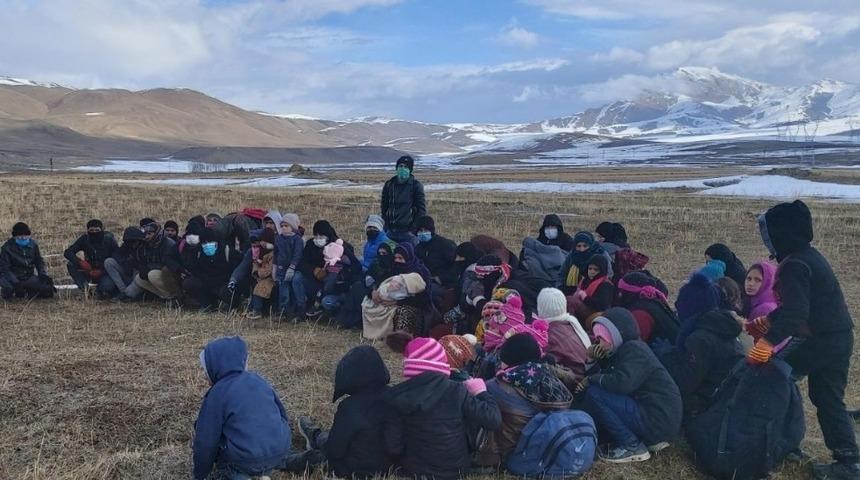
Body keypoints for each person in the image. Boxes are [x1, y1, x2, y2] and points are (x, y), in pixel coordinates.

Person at [751, 200, 858, 479]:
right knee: (828, 398)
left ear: (782, 234)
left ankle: (781, 444)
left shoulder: (794, 265)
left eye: (770, 232)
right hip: (839, 336)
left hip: (819, 340)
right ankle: (850, 462)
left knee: (774, 377)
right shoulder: (808, 256)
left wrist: (767, 342)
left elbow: (798, 312)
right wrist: (771, 320)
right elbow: (801, 305)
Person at [382, 332, 501, 480]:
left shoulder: (396, 395)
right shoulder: (457, 390)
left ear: (410, 364)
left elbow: (393, 446)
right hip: (456, 469)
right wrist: (481, 392)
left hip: (414, 469)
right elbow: (493, 420)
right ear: (442, 363)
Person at [578, 307, 682, 463]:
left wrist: (592, 379)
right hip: (652, 415)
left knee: (595, 394)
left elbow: (621, 384)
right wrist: (592, 360)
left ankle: (630, 444)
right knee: (596, 391)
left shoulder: (635, 350)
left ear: (615, 335)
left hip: (658, 420)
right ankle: (633, 439)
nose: (597, 342)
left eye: (602, 338)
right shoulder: (623, 350)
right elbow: (609, 378)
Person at [193, 336, 292, 480]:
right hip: (280, 451)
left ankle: (240, 476)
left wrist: (199, 474)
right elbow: (282, 414)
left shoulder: (217, 394)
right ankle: (265, 472)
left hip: (246, 460)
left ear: (213, 367)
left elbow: (206, 441)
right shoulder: (259, 380)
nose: (204, 375)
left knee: (226, 462)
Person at [292, 345, 395, 478]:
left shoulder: (349, 407)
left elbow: (334, 452)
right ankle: (315, 435)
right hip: (389, 466)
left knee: (314, 457)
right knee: (334, 437)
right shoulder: (396, 395)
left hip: (353, 470)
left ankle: (286, 458)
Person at [475, 332, 573, 468]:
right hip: (548, 445)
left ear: (510, 359)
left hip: (511, 452)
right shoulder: (552, 379)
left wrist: (477, 390)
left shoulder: (496, 386)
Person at [657, 273, 743, 418]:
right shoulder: (718, 324)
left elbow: (685, 383)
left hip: (708, 403)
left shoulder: (700, 339)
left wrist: (665, 355)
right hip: (722, 395)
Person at [295, 220, 360, 320]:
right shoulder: (310, 245)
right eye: (315, 235)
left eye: (321, 236)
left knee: (327, 298)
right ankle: (301, 309)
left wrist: (339, 270)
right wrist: (314, 270)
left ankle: (328, 312)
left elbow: (356, 265)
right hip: (315, 282)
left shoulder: (340, 246)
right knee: (297, 277)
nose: (318, 238)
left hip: (333, 287)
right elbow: (301, 263)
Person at [538, 287, 591, 381]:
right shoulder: (571, 322)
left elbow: (545, 360)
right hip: (584, 372)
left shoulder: (548, 334)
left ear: (541, 308)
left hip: (574, 381)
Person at [182, 229, 240, 312]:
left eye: (210, 242)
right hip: (207, 283)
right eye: (204, 243)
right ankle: (207, 304)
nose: (207, 245)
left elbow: (237, 269)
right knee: (189, 283)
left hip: (224, 283)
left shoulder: (227, 251)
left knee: (227, 291)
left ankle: (230, 305)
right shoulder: (198, 252)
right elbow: (192, 267)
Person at [616, 271, 680, 344]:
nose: (619, 294)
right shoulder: (652, 303)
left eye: (621, 291)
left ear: (628, 293)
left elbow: (634, 344)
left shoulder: (641, 314)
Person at [63, 219, 119, 298]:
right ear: (87, 231)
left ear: (102, 230)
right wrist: (80, 262)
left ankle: (100, 292)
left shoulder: (109, 239)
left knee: (106, 288)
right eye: (91, 230)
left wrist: (102, 271)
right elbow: (68, 252)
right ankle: (85, 290)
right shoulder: (84, 239)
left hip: (105, 272)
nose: (94, 232)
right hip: (89, 270)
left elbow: (117, 258)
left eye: (97, 230)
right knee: (71, 264)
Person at [0, 222, 55, 300]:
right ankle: (9, 293)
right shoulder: (7, 248)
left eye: (26, 236)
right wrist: (16, 283)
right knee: (9, 290)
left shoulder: (33, 245)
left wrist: (43, 275)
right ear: (14, 237)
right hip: (11, 277)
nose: (23, 238)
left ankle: (29, 291)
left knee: (47, 290)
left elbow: (39, 261)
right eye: (20, 236)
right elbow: (5, 269)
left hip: (27, 276)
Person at [132, 221, 182, 305]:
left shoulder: (167, 243)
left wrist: (149, 268)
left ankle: (176, 296)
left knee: (152, 274)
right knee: (138, 278)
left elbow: (167, 263)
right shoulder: (146, 244)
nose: (147, 236)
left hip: (170, 273)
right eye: (146, 234)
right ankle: (166, 297)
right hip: (156, 270)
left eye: (149, 234)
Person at [380, 155, 426, 245]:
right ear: (396, 168)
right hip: (390, 231)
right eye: (400, 166)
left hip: (408, 233)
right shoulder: (389, 185)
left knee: (409, 256)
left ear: (410, 170)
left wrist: (414, 229)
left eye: (406, 167)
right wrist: (386, 225)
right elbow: (384, 206)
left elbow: (421, 210)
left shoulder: (416, 186)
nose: (402, 169)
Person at [413, 215, 458, 289]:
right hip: (424, 282)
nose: (423, 233)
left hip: (444, 284)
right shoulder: (418, 248)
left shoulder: (445, 245)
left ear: (431, 230)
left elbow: (456, 265)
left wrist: (441, 278)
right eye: (420, 230)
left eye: (426, 230)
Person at [570, 254, 616, 324]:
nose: (592, 271)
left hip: (596, 314)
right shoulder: (585, 280)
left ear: (601, 270)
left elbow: (602, 305)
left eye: (596, 269)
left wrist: (585, 297)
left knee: (571, 301)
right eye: (590, 268)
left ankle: (571, 324)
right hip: (582, 309)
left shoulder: (606, 284)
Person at [104, 226, 146, 301]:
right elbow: (116, 255)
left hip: (138, 275)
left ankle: (127, 294)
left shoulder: (145, 247)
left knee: (137, 275)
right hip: (127, 272)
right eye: (129, 241)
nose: (132, 243)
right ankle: (123, 291)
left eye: (134, 241)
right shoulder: (126, 245)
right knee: (109, 261)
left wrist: (133, 262)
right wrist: (125, 261)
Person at [274, 214, 304, 318]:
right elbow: (276, 253)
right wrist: (275, 267)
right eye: (282, 226)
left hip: (294, 269)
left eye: (286, 226)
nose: (283, 228)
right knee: (283, 291)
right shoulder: (278, 238)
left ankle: (297, 310)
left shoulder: (297, 240)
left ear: (293, 227)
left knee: (295, 288)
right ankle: (283, 310)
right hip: (281, 268)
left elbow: (297, 255)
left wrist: (292, 267)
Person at [247, 229, 276, 320]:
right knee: (255, 287)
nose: (263, 243)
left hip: (270, 278)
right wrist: (255, 271)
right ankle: (251, 308)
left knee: (260, 288)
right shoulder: (259, 251)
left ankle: (257, 310)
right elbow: (255, 262)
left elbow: (270, 268)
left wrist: (260, 273)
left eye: (266, 241)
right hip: (259, 276)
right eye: (262, 240)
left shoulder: (274, 254)